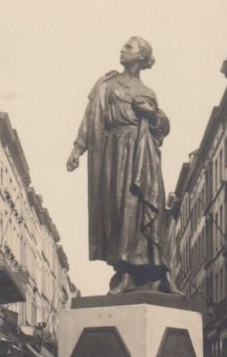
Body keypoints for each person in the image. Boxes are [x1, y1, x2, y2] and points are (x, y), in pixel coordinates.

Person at [66, 36, 180, 295]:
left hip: (144, 153)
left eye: (128, 47)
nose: (121, 49)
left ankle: (159, 272)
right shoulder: (107, 83)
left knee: (147, 208)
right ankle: (125, 272)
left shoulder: (149, 92)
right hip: (115, 152)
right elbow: (91, 118)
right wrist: (78, 148)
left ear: (141, 56)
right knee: (121, 209)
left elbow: (162, 129)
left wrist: (151, 114)